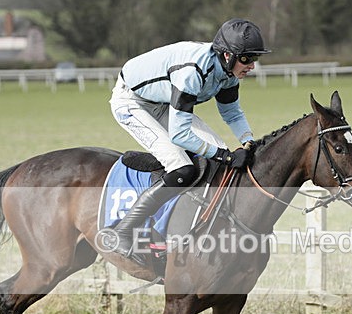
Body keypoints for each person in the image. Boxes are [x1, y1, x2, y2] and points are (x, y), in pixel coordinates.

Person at [103, 18, 271, 261]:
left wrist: (248, 142)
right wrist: (223, 154)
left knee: (220, 162)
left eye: (254, 58)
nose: (252, 66)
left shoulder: (228, 72)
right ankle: (123, 231)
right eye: (247, 59)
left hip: (162, 102)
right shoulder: (193, 72)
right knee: (182, 167)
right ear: (227, 56)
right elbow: (180, 134)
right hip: (131, 102)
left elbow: (231, 112)